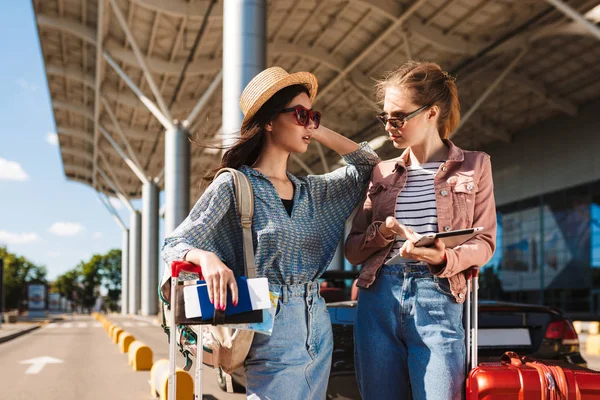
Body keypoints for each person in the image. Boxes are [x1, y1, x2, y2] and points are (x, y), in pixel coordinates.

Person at [161, 66, 379, 400]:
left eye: (313, 115)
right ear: (268, 121)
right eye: (300, 115)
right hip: (270, 325)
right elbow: (175, 243)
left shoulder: (314, 192)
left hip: (317, 323)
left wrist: (316, 130)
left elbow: (368, 165)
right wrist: (206, 258)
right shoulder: (235, 185)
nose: (309, 123)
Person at [345, 61, 497, 400]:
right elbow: (353, 250)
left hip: (438, 296)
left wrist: (444, 256)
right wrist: (382, 234)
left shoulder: (475, 165)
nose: (389, 125)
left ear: (432, 113)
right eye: (384, 117)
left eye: (398, 117)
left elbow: (485, 242)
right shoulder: (381, 172)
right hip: (378, 297)